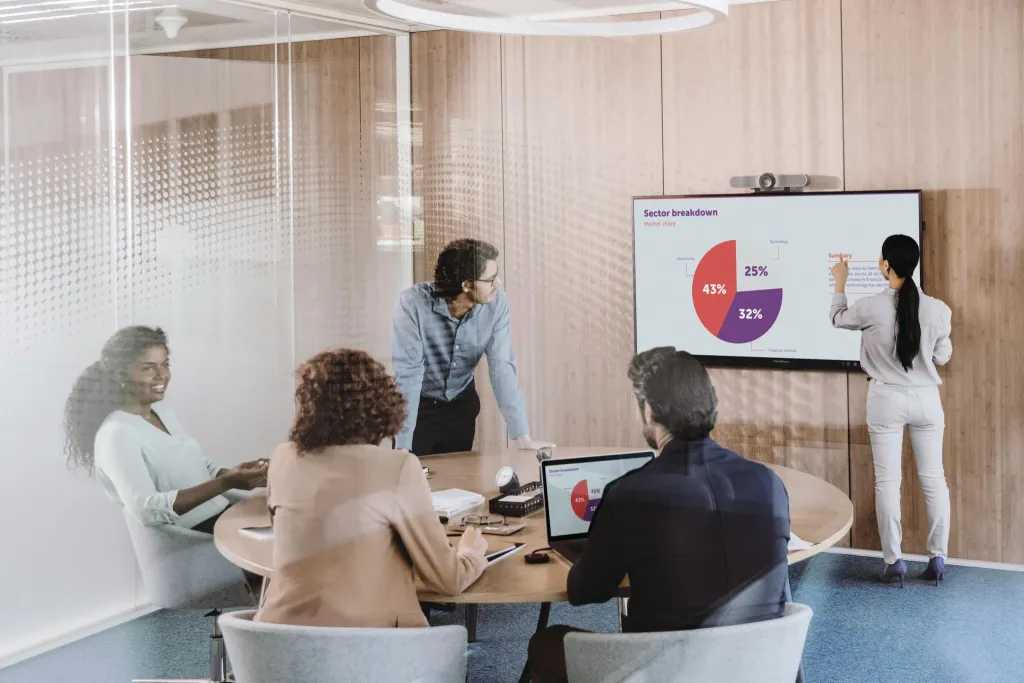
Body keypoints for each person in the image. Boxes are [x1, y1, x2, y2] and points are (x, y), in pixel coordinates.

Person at [528, 348, 792, 683]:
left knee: (546, 642)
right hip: (758, 667)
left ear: (649, 410)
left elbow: (586, 592)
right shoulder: (768, 483)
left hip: (667, 671)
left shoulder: (630, 493)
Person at [255, 348, 490, 627]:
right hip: (371, 654)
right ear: (381, 405)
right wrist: (471, 552)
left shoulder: (283, 458)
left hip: (275, 649)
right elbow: (448, 580)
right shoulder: (398, 467)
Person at [831, 234, 952, 586]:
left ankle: (894, 561)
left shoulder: (870, 306)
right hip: (927, 398)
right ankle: (938, 558)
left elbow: (837, 318)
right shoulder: (938, 309)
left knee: (888, 482)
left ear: (886, 265)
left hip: (885, 398)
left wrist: (840, 280)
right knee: (934, 480)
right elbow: (942, 357)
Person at [64, 326, 268, 534]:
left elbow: (196, 465)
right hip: (195, 539)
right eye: (148, 368)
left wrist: (233, 473)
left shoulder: (162, 414)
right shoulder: (117, 433)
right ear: (119, 376)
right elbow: (146, 508)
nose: (162, 375)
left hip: (222, 515)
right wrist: (226, 482)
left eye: (165, 365)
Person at [391, 238, 552, 455]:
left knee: (456, 482)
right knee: (412, 479)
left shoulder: (497, 305)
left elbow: (501, 367)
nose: (498, 284)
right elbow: (409, 374)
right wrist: (402, 446)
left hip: (461, 407)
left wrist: (522, 437)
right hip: (419, 408)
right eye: (491, 279)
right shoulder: (412, 304)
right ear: (466, 284)